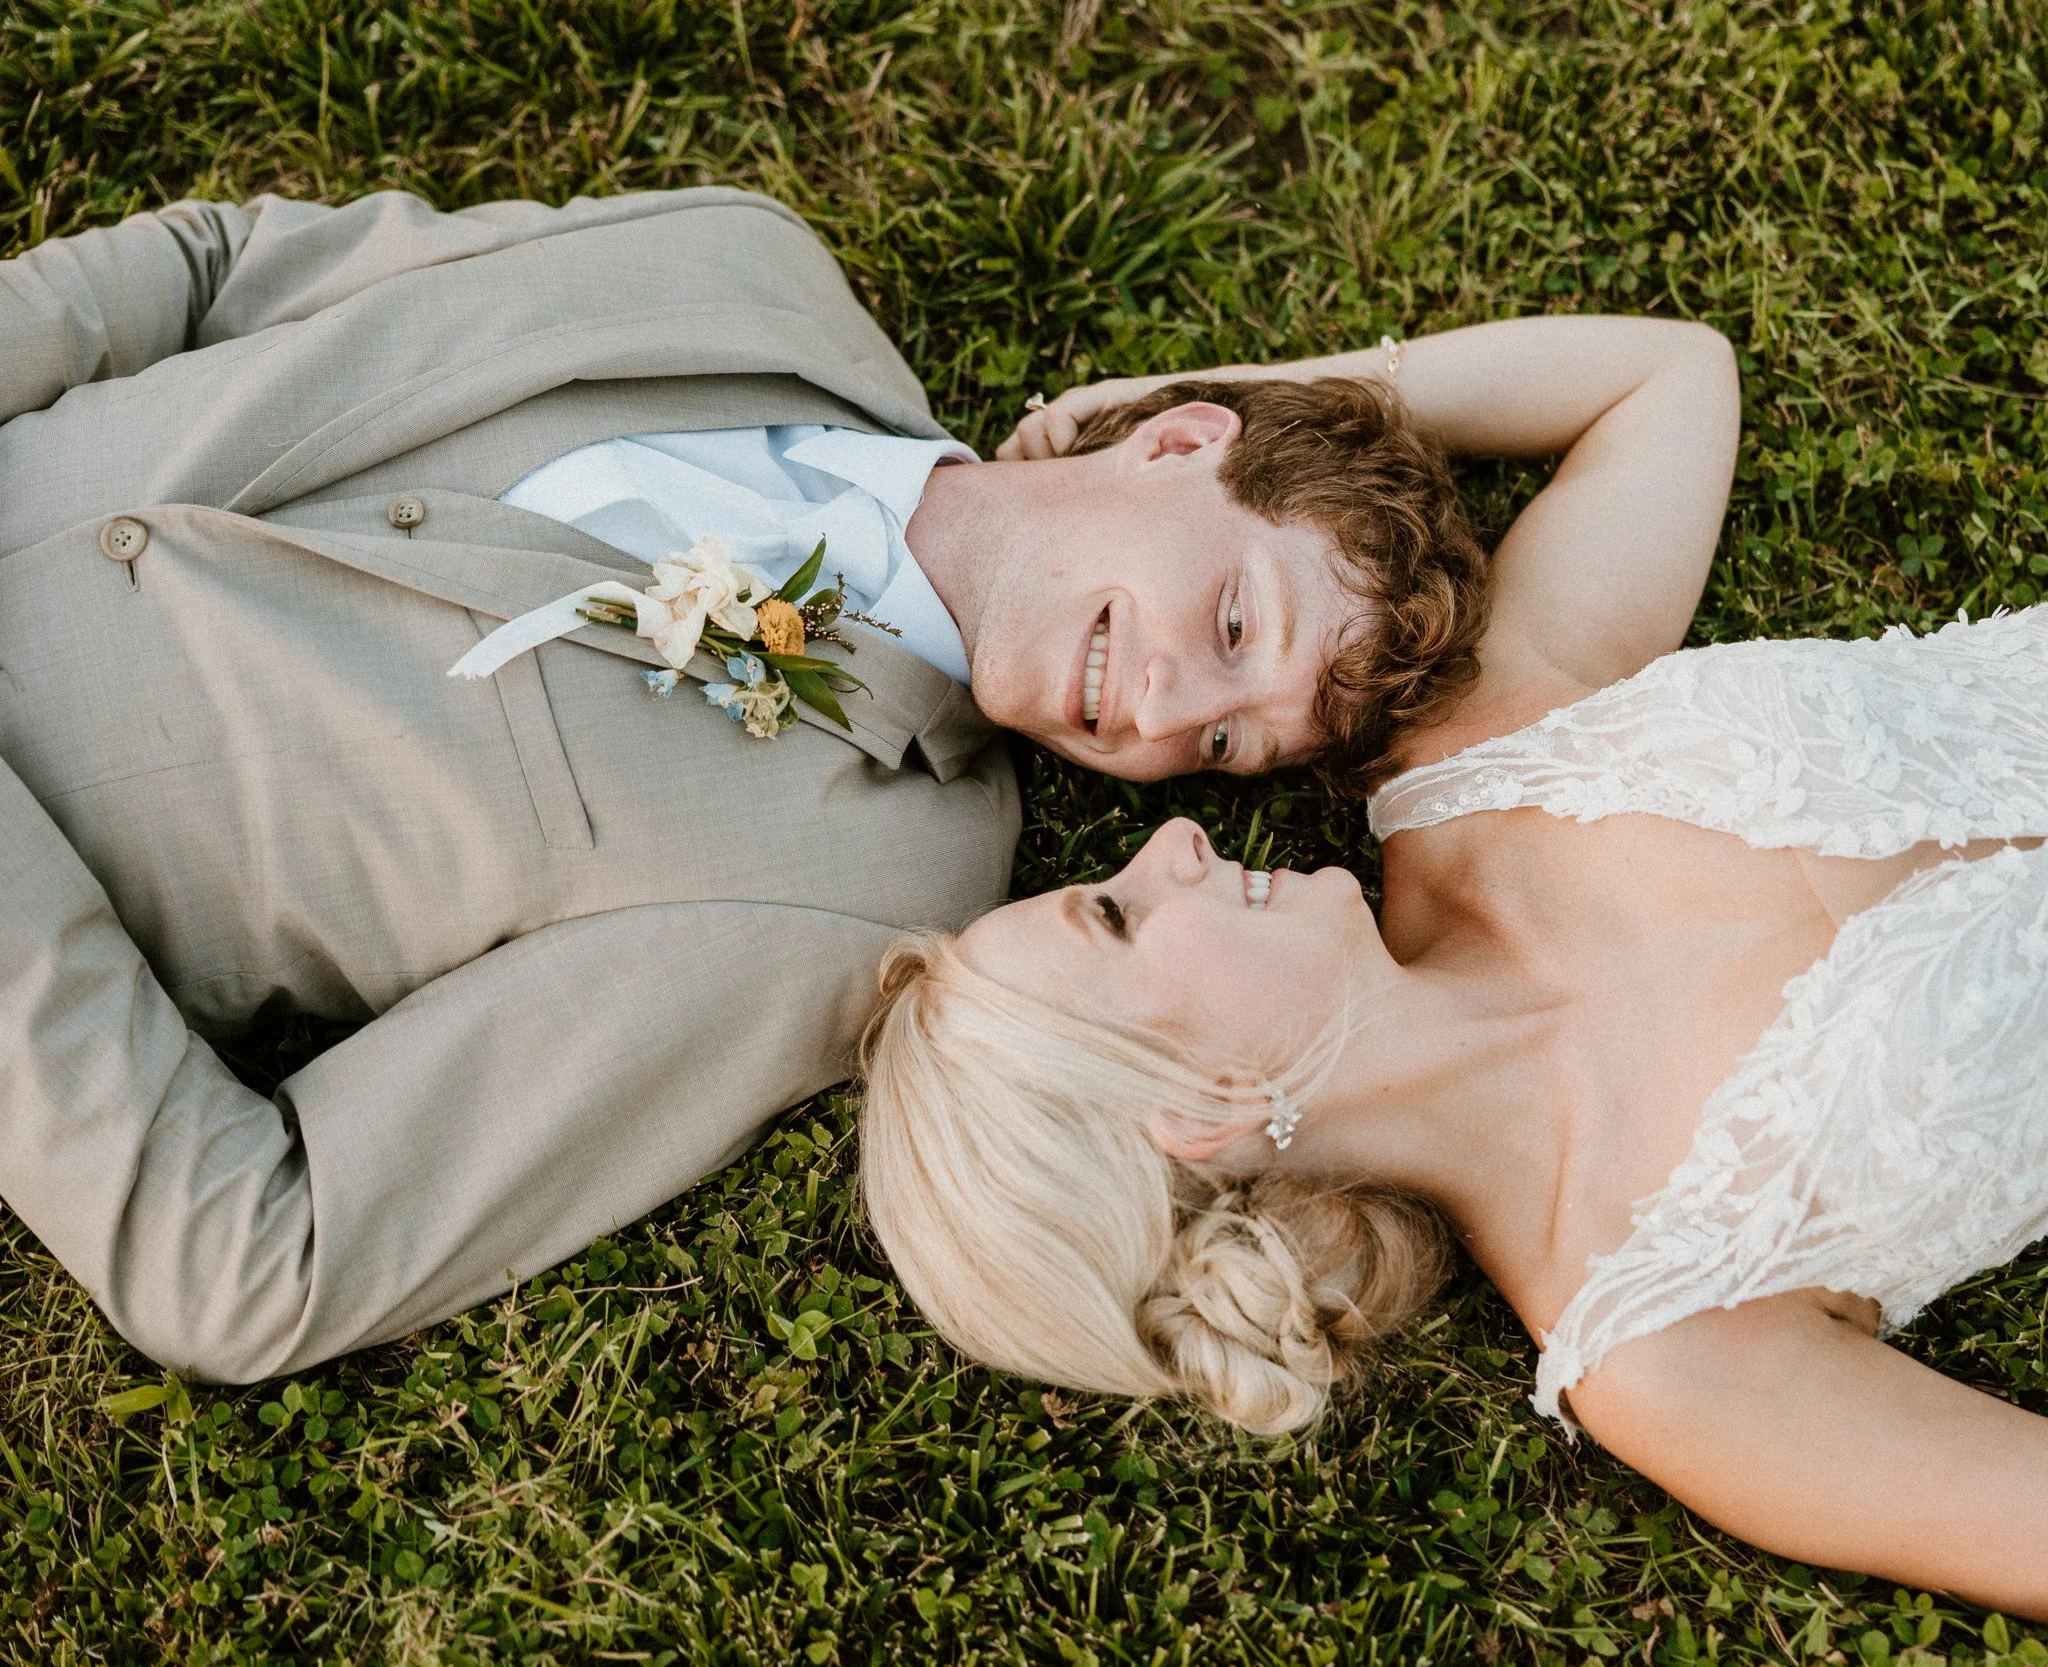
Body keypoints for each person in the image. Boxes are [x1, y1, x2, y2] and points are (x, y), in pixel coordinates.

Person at [860, 315, 2048, 1654]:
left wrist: (1213, 405)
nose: (1166, 848)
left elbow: (1666, 375)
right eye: (1117, 919)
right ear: (1202, 1119)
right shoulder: (1666, 1343)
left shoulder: (1471, 750)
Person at [0, 187, 1485, 1382]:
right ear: (1177, 439)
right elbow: (220, 269)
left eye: (1229, 745)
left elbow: (257, 1265)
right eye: (1232, 622)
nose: (1170, 711)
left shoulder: (858, 881)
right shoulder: (746, 267)